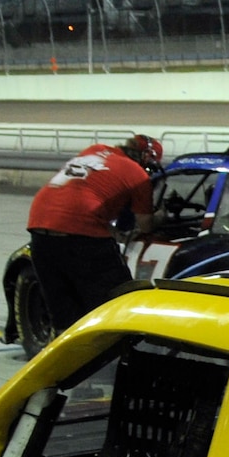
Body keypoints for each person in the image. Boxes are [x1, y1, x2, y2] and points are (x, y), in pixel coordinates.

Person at [24, 134, 161, 335]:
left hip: (39, 227)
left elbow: (90, 189)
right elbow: (146, 224)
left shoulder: (93, 150)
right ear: (145, 160)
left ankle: (66, 358)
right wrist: (161, 215)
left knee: (64, 315)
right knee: (117, 302)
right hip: (80, 233)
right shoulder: (137, 173)